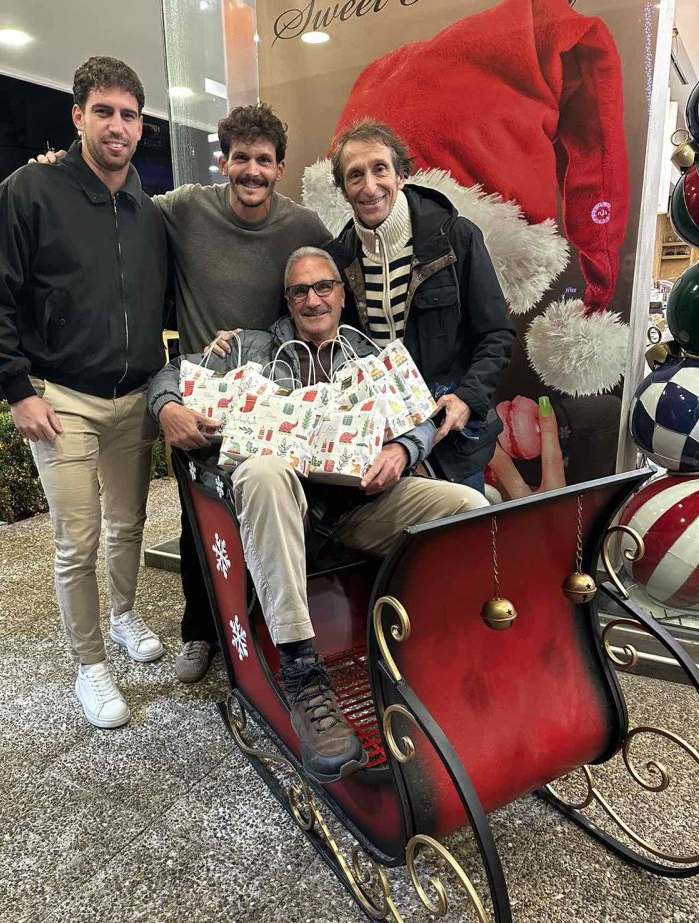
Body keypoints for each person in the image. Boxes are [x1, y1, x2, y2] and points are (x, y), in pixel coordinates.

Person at [147, 247, 488, 784]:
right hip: (281, 506)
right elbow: (172, 372)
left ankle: (434, 651)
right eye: (299, 291)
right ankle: (302, 672)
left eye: (323, 287)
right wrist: (167, 407)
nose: (313, 300)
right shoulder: (250, 347)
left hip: (360, 504)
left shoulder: (368, 351)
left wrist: (402, 450)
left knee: (469, 507)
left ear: (341, 294)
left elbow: (424, 416)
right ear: (287, 301)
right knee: (262, 470)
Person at [32, 104, 332, 685]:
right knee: (199, 524)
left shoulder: (304, 226)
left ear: (280, 167)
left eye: (263, 160)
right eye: (240, 158)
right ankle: (200, 631)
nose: (251, 171)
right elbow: (117, 205)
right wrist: (60, 172)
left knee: (275, 515)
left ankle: (271, 635)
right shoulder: (185, 207)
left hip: (273, 405)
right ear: (225, 163)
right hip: (195, 403)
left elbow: (330, 280)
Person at [0, 57, 168, 730]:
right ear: (77, 116)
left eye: (128, 115)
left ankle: (124, 616)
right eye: (103, 111)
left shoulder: (147, 212)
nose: (117, 126)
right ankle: (90, 665)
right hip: (62, 399)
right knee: (76, 540)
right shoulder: (30, 190)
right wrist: (18, 390)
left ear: (141, 125)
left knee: (129, 523)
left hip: (134, 396)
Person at [326, 119, 516, 491]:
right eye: (355, 175)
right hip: (381, 443)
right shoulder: (339, 259)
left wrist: (467, 398)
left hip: (450, 441)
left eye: (380, 169)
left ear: (401, 175)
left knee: (461, 529)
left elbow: (496, 334)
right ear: (344, 190)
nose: (370, 186)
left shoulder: (456, 238)